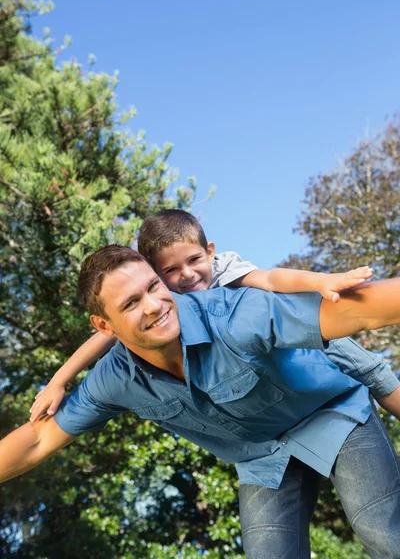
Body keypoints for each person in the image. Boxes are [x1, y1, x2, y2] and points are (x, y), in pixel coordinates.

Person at [1, 245, 400, 559]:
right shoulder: (115, 379)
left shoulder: (233, 316)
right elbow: (38, 441)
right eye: (130, 304)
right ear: (104, 326)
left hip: (331, 416)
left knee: (382, 533)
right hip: (262, 458)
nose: (154, 306)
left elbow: (356, 313)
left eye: (153, 287)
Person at [30, 210, 394, 423]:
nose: (187, 275)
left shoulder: (224, 270)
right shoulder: (162, 303)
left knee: (371, 370)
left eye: (194, 260)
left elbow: (272, 278)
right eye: (170, 271)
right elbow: (107, 335)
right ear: (157, 275)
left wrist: (322, 282)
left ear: (210, 252)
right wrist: (60, 380)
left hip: (291, 331)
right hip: (261, 368)